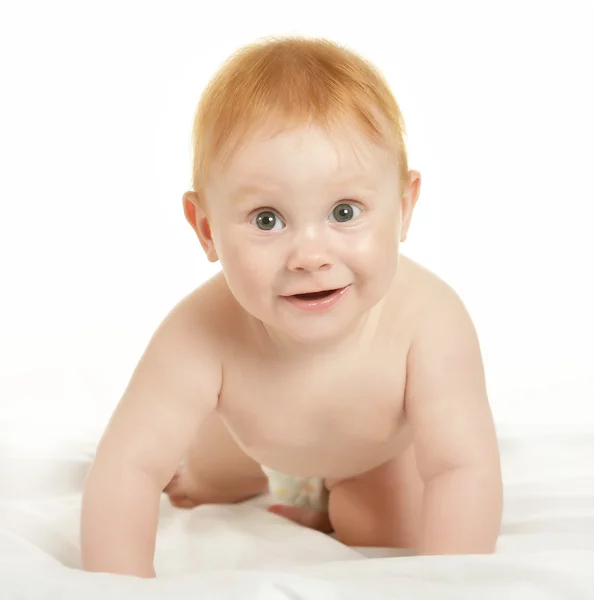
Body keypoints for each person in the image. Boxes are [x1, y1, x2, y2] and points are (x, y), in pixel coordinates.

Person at [80, 36, 503, 578]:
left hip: (371, 454)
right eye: (266, 220)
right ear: (206, 229)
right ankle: (240, 475)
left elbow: (461, 466)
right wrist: (119, 586)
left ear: (403, 207)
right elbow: (127, 468)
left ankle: (324, 498)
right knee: (205, 484)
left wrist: (454, 585)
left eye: (345, 211)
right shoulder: (199, 332)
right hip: (244, 436)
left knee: (392, 528)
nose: (309, 256)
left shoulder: (430, 322)